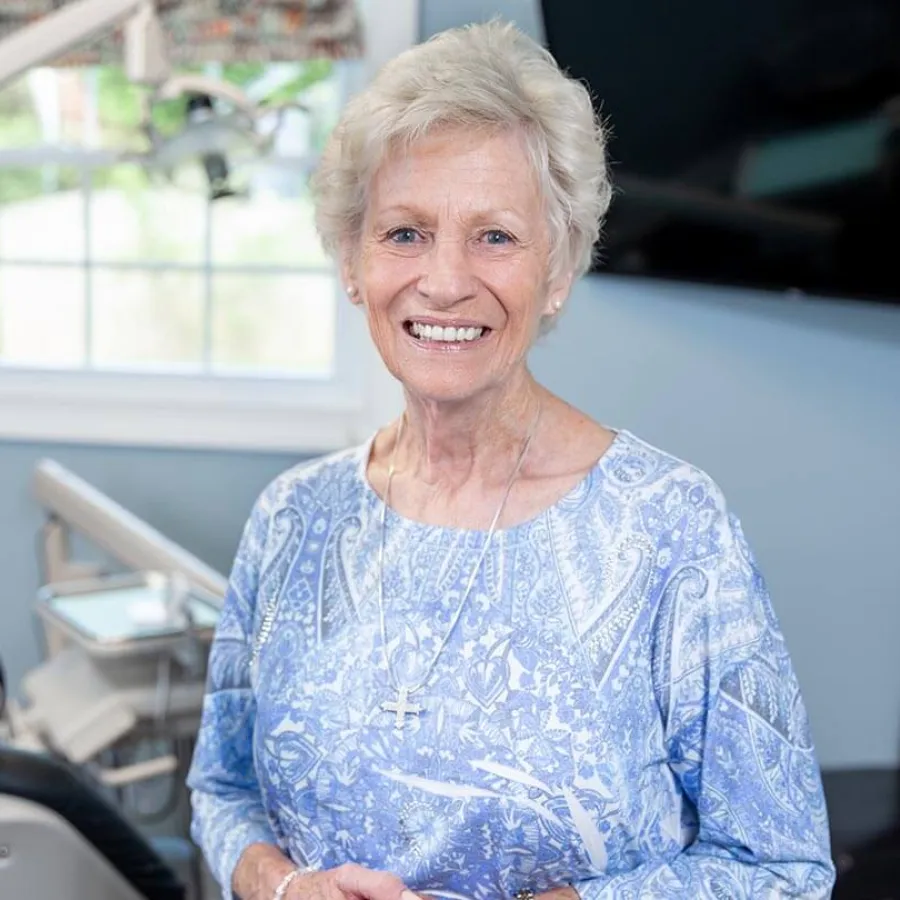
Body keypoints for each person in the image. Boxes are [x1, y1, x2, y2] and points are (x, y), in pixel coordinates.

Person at [187, 20, 835, 900]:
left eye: (495, 236)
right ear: (351, 260)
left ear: (559, 267)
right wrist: (282, 887)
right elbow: (221, 792)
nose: (445, 281)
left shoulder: (670, 528)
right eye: (405, 233)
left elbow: (783, 869)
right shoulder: (292, 518)